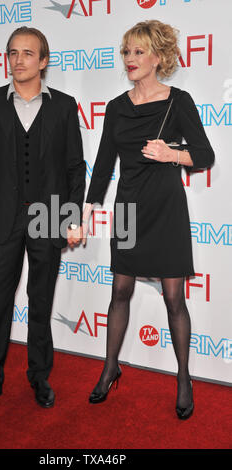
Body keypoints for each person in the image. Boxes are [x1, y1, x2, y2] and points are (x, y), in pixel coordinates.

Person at [82, 20, 214, 420]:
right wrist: (86, 209)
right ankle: (110, 367)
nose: (130, 60)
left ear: (159, 57)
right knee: (119, 291)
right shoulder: (117, 107)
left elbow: (204, 156)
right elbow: (104, 165)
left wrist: (172, 153)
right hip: (128, 209)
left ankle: (184, 377)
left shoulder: (180, 101)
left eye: (139, 52)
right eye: (126, 52)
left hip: (166, 209)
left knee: (175, 298)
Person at [0, 27, 85, 416]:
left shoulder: (63, 105)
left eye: (28, 53)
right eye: (13, 53)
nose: (19, 60)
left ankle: (39, 377)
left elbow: (76, 169)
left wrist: (70, 218)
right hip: (1, 221)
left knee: (40, 301)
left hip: (49, 219)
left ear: (43, 61)